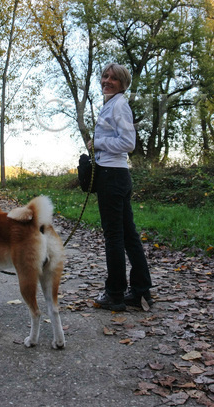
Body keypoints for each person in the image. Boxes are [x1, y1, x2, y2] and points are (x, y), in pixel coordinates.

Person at [87, 63, 153, 311]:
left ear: (123, 84)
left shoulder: (119, 105)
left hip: (112, 176)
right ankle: (140, 291)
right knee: (128, 235)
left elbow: (128, 143)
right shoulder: (111, 104)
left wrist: (98, 142)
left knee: (114, 236)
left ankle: (115, 294)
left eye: (114, 78)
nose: (107, 80)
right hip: (115, 175)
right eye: (105, 76)